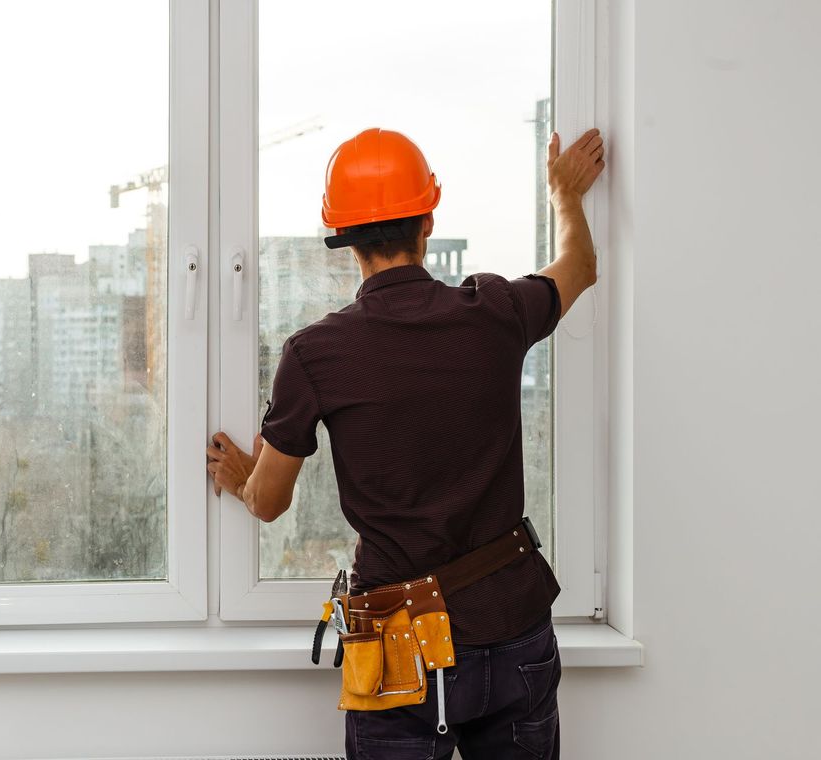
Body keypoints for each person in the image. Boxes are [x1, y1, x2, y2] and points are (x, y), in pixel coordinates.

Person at [206, 126, 604, 759]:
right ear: (427, 221)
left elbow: (270, 503)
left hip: (397, 639)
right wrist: (564, 194)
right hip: (511, 618)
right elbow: (580, 267)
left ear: (343, 240)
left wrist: (246, 478)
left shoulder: (315, 355)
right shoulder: (494, 310)